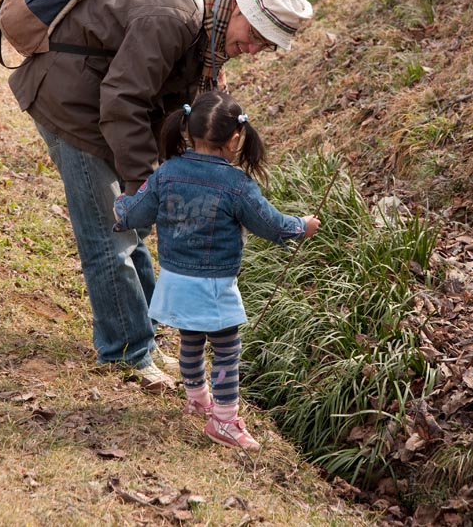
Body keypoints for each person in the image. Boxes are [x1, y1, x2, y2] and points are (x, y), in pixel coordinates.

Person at [7, 0, 313, 393]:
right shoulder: (172, 18)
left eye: (267, 45)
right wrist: (147, 183)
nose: (255, 49)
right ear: (239, 10)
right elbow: (124, 98)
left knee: (130, 229)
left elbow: (169, 97)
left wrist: (173, 172)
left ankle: (143, 339)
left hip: (102, 104)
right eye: (258, 36)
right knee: (109, 234)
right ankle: (127, 352)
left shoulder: (205, 27)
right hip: (72, 104)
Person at [113, 91, 321, 451]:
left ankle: (198, 399)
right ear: (235, 139)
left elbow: (135, 214)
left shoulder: (167, 173)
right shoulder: (237, 185)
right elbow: (271, 225)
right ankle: (223, 421)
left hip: (175, 281)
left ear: (189, 130)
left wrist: (120, 203)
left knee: (191, 341)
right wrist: (302, 225)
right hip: (212, 285)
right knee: (226, 349)